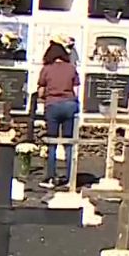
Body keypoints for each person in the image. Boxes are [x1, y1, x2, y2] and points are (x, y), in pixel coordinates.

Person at [36, 41, 80, 189]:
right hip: (69, 105)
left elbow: (41, 91)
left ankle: (50, 177)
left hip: (53, 105)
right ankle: (70, 178)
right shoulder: (71, 68)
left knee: (52, 142)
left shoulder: (46, 69)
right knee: (68, 143)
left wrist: (44, 98)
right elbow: (76, 89)